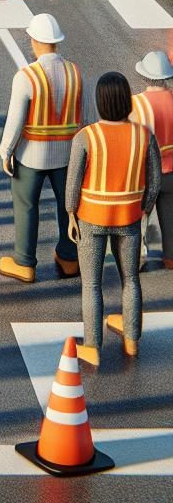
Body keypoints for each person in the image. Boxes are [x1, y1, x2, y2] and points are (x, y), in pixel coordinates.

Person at [67, 72, 161, 367]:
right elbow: (155, 181)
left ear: (99, 102)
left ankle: (92, 346)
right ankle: (132, 338)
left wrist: (71, 213)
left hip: (92, 217)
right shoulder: (145, 135)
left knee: (92, 284)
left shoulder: (86, 136)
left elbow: (73, 184)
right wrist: (144, 208)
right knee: (130, 279)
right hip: (129, 217)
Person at [0, 13, 82, 284]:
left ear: (34, 41)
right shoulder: (75, 72)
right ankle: (69, 257)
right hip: (68, 153)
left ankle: (24, 261)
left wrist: (6, 151)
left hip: (31, 155)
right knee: (67, 206)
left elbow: (15, 121)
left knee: (26, 205)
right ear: (57, 42)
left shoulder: (26, 76)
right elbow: (87, 117)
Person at [131, 50, 173, 269]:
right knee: (170, 218)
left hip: (146, 175)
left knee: (140, 217)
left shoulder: (136, 104)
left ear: (144, 76)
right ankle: (170, 258)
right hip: (172, 173)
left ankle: (138, 257)